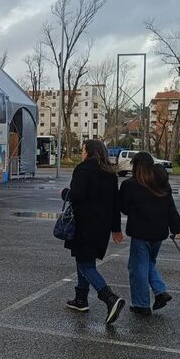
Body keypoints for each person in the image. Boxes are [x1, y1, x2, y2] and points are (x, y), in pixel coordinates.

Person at [62, 139, 126, 324]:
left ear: (89, 152)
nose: (82, 153)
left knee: (85, 265)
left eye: (83, 150)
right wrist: (116, 229)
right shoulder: (110, 173)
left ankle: (109, 297)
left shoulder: (83, 170)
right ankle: (81, 299)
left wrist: (65, 192)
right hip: (102, 226)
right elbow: (116, 204)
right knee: (84, 259)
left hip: (84, 224)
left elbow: (77, 196)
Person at [119, 152, 180, 315]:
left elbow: (124, 208)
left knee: (138, 267)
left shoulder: (130, 185)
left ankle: (141, 304)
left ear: (136, 166)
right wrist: (177, 229)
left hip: (140, 232)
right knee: (148, 263)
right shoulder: (161, 183)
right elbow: (171, 208)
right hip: (159, 232)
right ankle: (160, 291)